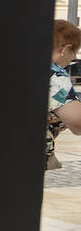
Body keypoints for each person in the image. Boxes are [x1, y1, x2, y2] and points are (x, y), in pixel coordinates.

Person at [48, 19, 81, 169]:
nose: (71, 60)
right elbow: (77, 122)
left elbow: (57, 100)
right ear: (65, 49)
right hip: (22, 157)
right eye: (73, 54)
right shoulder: (55, 75)